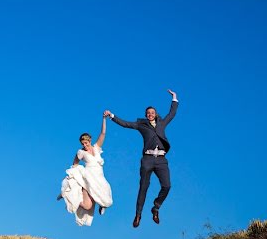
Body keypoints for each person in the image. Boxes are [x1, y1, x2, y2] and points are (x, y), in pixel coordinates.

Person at [104, 89, 179, 228]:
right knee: (143, 187)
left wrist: (174, 98)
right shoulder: (141, 125)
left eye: (152, 112)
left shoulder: (162, 123)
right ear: (146, 115)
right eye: (148, 113)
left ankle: (156, 207)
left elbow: (172, 113)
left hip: (161, 160)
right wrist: (112, 116)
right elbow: (125, 124)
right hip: (147, 159)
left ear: (155, 114)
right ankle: (138, 214)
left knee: (167, 186)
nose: (150, 114)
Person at [58, 114, 113, 226]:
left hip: (100, 177)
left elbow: (103, 134)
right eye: (83, 144)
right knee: (87, 206)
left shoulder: (97, 148)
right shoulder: (81, 152)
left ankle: (102, 205)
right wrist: (73, 173)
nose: (85, 145)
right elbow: (75, 163)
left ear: (90, 141)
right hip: (88, 178)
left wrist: (103, 119)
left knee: (107, 196)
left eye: (86, 143)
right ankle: (71, 197)